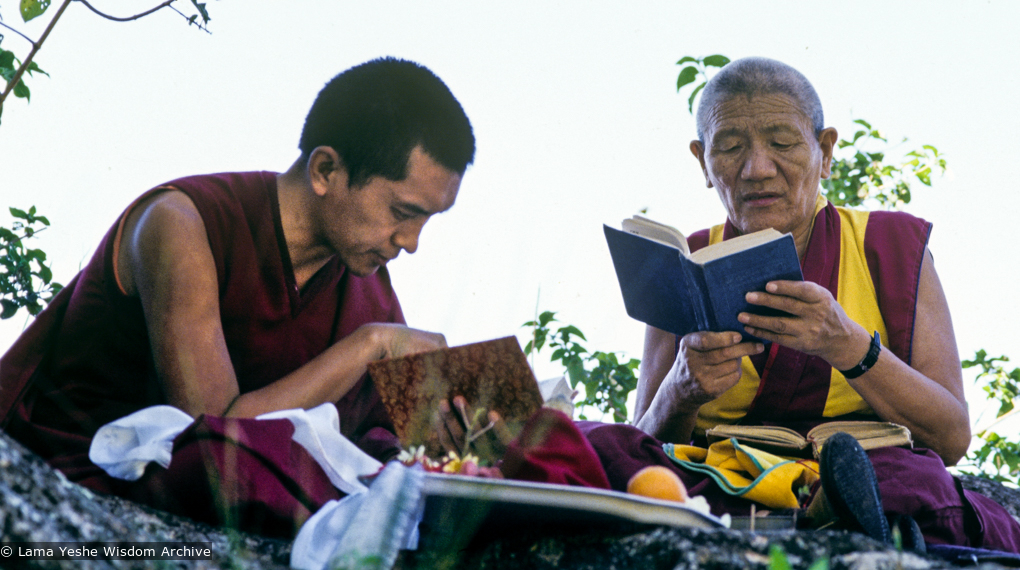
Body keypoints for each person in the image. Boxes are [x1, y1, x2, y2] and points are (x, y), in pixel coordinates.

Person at [0, 57, 475, 535]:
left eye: (427, 220)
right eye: (402, 212)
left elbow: (379, 440)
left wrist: (450, 433)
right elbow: (211, 431)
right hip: (76, 492)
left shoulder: (368, 291)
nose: (411, 242)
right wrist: (368, 347)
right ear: (326, 170)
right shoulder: (182, 226)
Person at [581, 57, 1020, 552]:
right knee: (593, 443)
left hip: (868, 469)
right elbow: (642, 438)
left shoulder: (889, 245)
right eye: (729, 147)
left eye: (783, 143)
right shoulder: (687, 262)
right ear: (703, 161)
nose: (757, 169)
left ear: (825, 150)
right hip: (728, 475)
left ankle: (834, 506)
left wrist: (851, 346)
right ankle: (825, 516)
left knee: (913, 482)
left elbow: (953, 438)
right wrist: (682, 389)